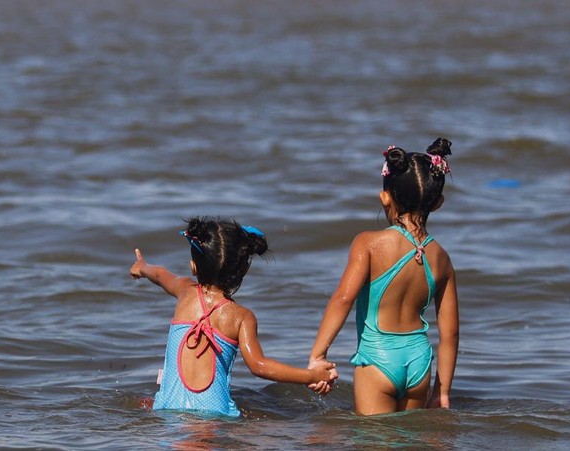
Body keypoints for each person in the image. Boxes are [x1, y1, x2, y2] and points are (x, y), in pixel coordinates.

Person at [308, 138, 459, 415]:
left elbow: (343, 299)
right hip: (419, 362)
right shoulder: (442, 258)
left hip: (378, 360)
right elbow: (449, 333)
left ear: (385, 197)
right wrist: (443, 391)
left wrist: (318, 355)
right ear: (437, 203)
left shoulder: (368, 243)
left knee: (374, 440)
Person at [130, 217, 337, 417]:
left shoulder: (185, 291)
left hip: (167, 410)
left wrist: (141, 266)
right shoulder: (241, 317)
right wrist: (311, 375)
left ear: (194, 266)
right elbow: (259, 366)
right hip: (215, 418)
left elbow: (159, 274)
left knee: (147, 402)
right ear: (244, 269)